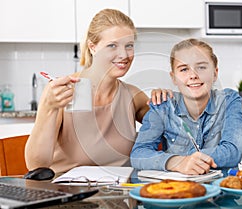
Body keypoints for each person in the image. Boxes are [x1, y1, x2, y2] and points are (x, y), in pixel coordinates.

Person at [25, 9, 151, 173]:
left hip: (119, 193)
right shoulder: (61, 93)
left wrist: (165, 99)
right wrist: (49, 107)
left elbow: (171, 129)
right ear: (93, 47)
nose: (124, 55)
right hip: (68, 192)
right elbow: (36, 165)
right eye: (112, 45)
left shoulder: (133, 96)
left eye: (129, 46)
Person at [130, 38, 242, 175]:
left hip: (222, 188)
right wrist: (178, 162)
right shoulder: (163, 106)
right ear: (173, 77)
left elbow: (233, 152)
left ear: (215, 73)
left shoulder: (229, 100)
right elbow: (138, 154)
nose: (193, 75)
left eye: (201, 67)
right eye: (184, 69)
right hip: (178, 190)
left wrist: (190, 159)